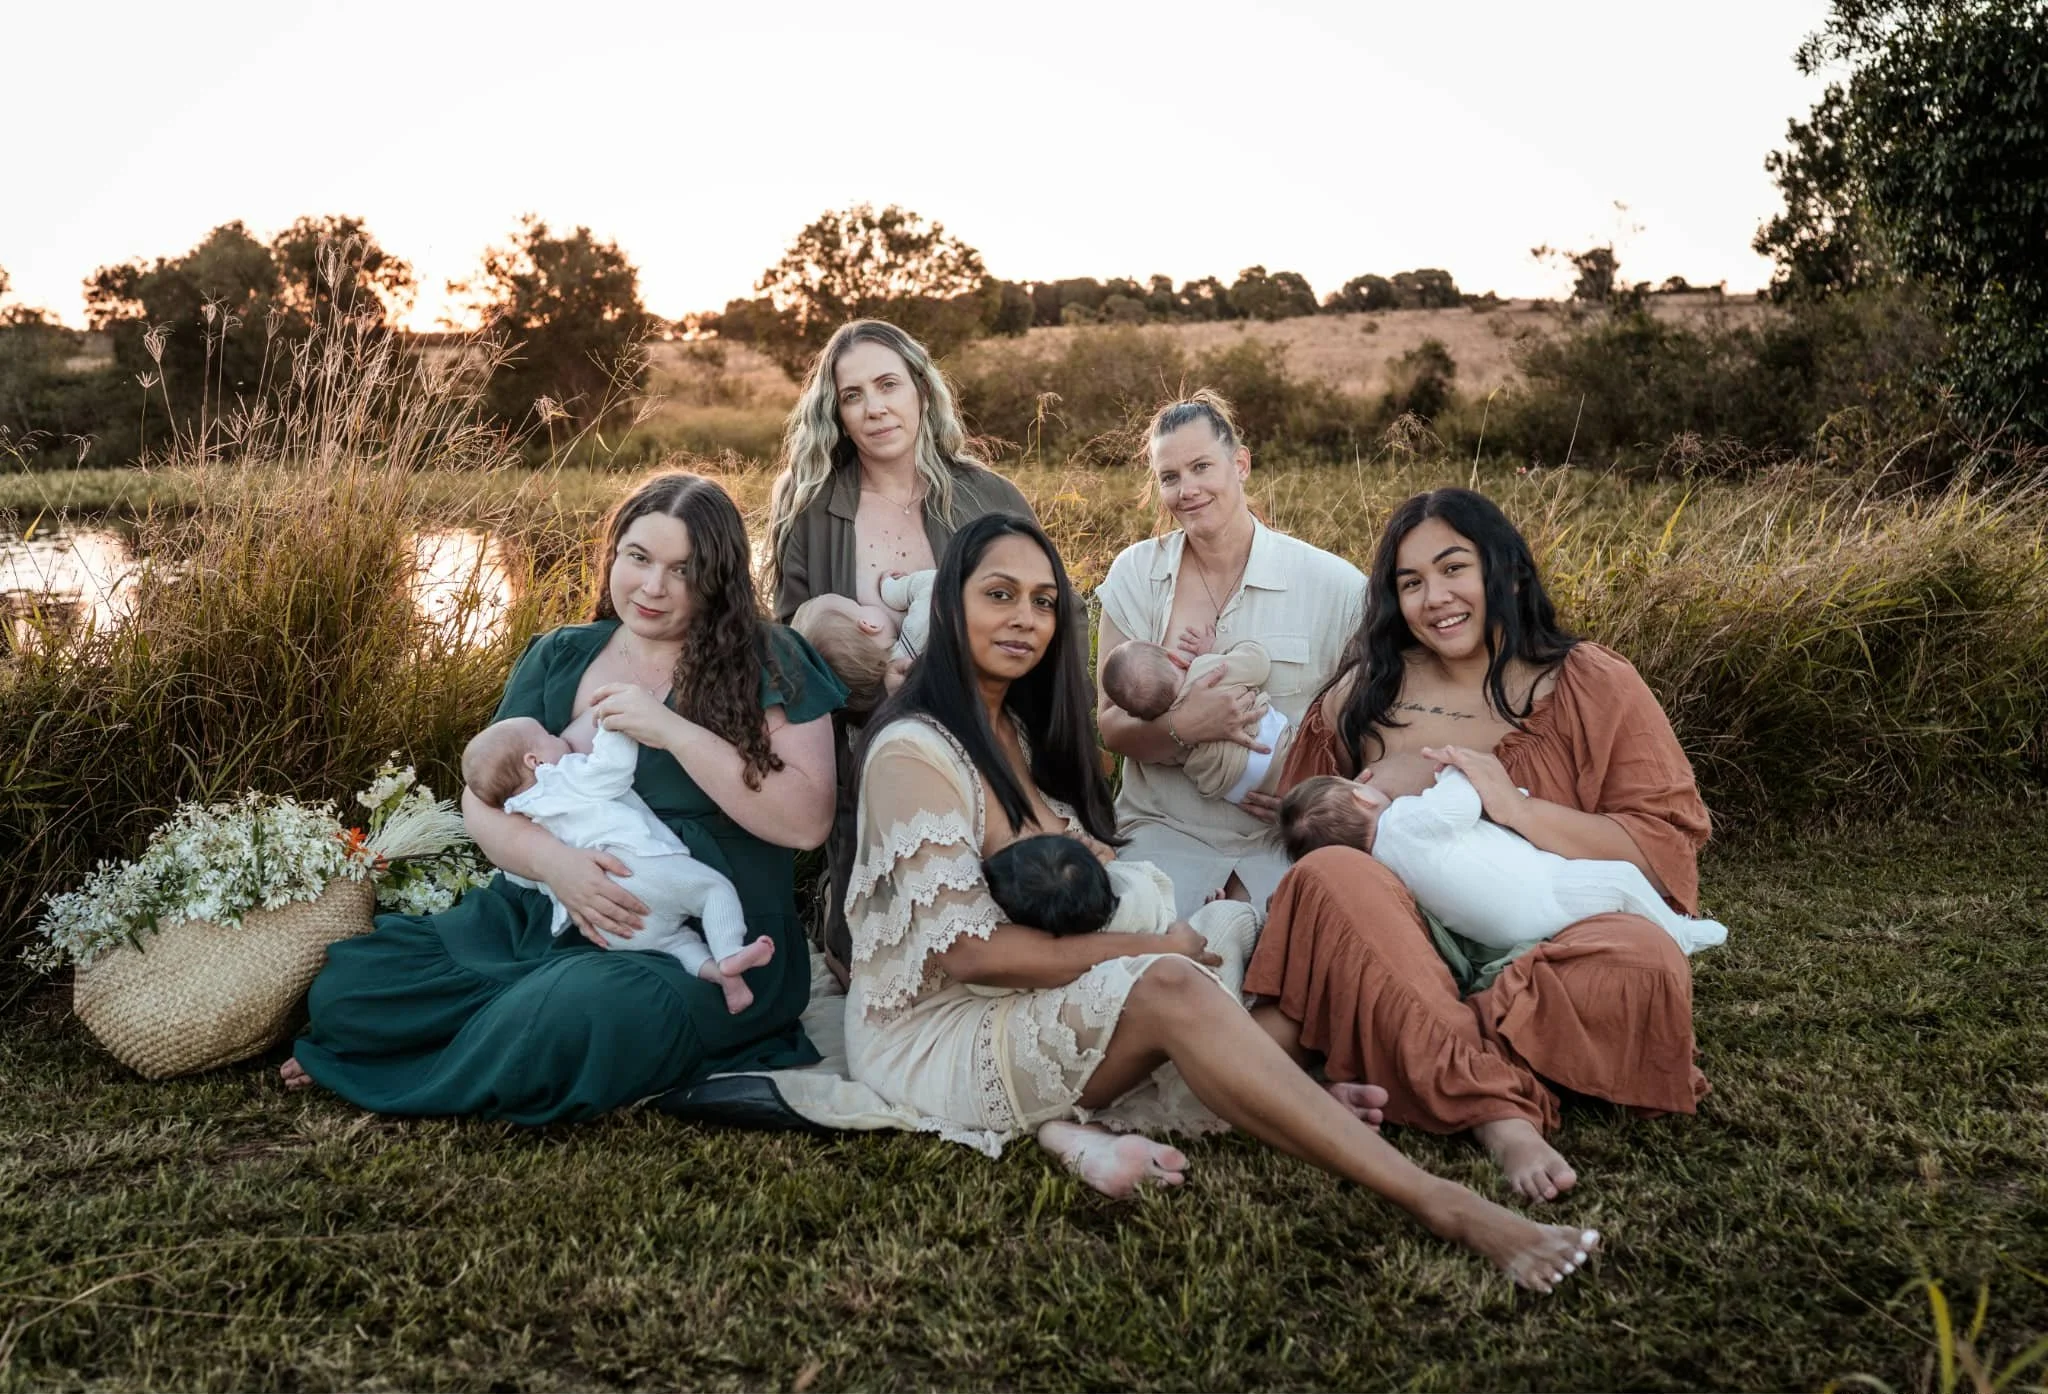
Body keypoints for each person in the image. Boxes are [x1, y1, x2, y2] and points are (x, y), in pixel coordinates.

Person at [841, 510, 1601, 1294]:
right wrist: (1153, 949)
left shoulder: (1016, 733)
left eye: (1043, 602)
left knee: (1280, 979)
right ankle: (1441, 1203)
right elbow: (970, 954)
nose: (1025, 619)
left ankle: (1283, 1095)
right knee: (1176, 984)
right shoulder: (914, 752)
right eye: (999, 595)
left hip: (1035, 990)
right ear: (949, 604)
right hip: (943, 1028)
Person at [281, 473, 846, 1122]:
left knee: (570, 1015)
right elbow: (482, 801)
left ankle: (411, 1052)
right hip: (542, 913)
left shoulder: (772, 659)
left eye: (683, 570)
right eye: (638, 558)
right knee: (353, 985)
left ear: (719, 578)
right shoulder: (560, 654)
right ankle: (447, 1033)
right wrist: (559, 868)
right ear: (614, 553)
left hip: (696, 936)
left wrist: (673, 732)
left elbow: (807, 821)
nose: (653, 587)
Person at [1246, 487, 1714, 1203]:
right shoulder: (1365, 694)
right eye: (1410, 582)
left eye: (1453, 568)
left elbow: (1658, 851)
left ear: (1508, 571)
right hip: (1408, 938)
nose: (1434, 598)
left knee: (1643, 958)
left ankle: (1412, 1038)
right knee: (1333, 875)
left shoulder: (1593, 683)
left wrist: (1512, 808)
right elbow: (1311, 840)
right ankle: (1499, 1110)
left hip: (1551, 935)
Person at [764, 320, 1035, 974]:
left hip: (991, 736)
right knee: (880, 961)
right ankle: (843, 891)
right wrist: (874, 692)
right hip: (869, 755)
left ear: (921, 389)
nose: (875, 408)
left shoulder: (989, 496)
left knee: (1015, 932)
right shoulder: (810, 507)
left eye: (888, 385)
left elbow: (1053, 617)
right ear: (837, 413)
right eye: (853, 395)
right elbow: (790, 653)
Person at [1095, 391, 1366, 920]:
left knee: (1308, 942)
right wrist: (1182, 726)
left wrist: (1315, 785)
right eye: (1170, 477)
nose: (1187, 490)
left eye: (1201, 467)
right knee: (1150, 942)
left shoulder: (1336, 586)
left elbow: (1372, 727)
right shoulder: (1136, 574)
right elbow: (1111, 728)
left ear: (1240, 464)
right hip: (1162, 833)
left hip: (1287, 840)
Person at [460, 715, 776, 1012]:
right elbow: (612, 770)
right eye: (550, 737)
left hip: (605, 919)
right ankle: (729, 951)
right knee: (713, 891)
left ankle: (722, 977)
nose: (560, 739)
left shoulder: (522, 815)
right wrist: (614, 727)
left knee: (675, 944)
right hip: (636, 869)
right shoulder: (560, 776)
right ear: (535, 761)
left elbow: (523, 877)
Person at [1279, 769, 1730, 955]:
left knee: (1600, 897)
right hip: (1542, 893)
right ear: (1362, 796)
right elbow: (1458, 806)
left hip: (1502, 931)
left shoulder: (1381, 863)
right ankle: (1681, 935)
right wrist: (1453, 772)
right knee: (1622, 877)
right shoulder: (1401, 820)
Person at [982, 834, 1260, 996]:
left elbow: (990, 984)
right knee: (1230, 920)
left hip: (1161, 999)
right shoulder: (1137, 890)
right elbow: (1158, 886)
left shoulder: (1057, 971)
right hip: (1193, 978)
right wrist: (1109, 864)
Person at [1101, 637, 1294, 805]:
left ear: (1133, 714)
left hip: (1240, 790)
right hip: (1274, 750)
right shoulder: (1204, 673)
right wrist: (1216, 650)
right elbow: (1258, 664)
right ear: (1176, 659)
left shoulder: (1163, 734)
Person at [790, 567, 936, 713]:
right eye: (859, 606)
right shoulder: (915, 635)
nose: (865, 605)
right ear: (870, 625)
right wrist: (891, 588)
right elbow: (932, 586)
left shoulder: (903, 694)